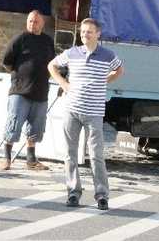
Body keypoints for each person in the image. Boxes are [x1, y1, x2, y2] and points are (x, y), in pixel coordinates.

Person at [47, 18, 124, 211]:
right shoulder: (72, 53)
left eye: (89, 32)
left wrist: (105, 80)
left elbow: (119, 69)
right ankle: (73, 193)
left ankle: (102, 196)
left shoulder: (107, 55)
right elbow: (52, 66)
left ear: (98, 34)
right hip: (72, 110)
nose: (85, 35)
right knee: (70, 154)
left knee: (97, 155)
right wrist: (63, 83)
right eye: (82, 32)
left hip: (94, 112)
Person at [0, 10, 55, 171]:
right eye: (30, 21)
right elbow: (7, 62)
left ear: (42, 23)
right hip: (20, 91)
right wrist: (20, 74)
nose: (32, 24)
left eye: (36, 21)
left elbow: (52, 62)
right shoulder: (20, 39)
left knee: (36, 128)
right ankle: (7, 158)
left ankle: (31, 159)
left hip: (40, 91)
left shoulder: (47, 41)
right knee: (13, 124)